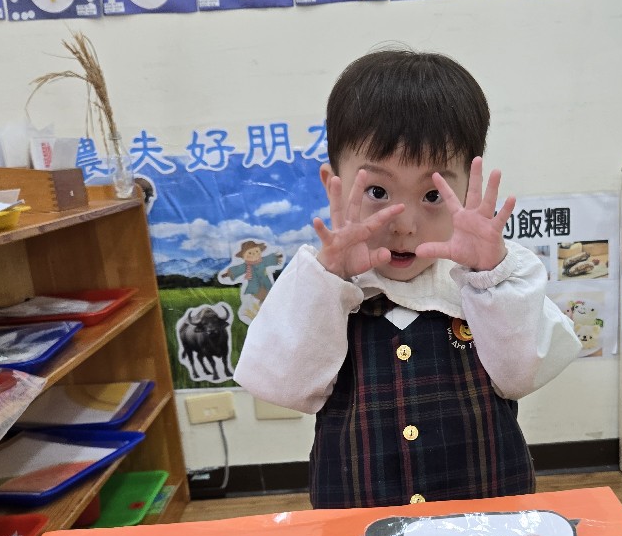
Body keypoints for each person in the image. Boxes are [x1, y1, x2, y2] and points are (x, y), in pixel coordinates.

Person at [234, 48, 580, 509]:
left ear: (468, 189)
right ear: (333, 183)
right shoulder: (319, 285)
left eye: (433, 195)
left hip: (485, 519)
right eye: (377, 191)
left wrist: (490, 275)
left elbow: (522, 375)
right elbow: (285, 387)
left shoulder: (492, 279)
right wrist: (330, 278)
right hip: (356, 516)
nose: (405, 225)